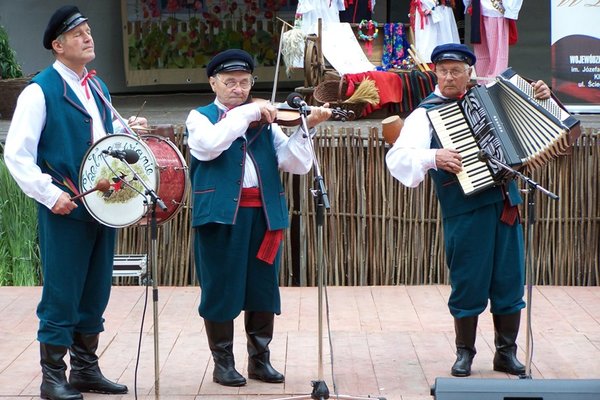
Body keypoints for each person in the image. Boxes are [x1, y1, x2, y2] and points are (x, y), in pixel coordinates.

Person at [3, 5, 147, 400]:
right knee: (62, 292)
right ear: (57, 44)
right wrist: (50, 195)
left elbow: (104, 134)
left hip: (103, 205)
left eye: (88, 31)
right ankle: (53, 378)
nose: (88, 37)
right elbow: (16, 154)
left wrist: (127, 130)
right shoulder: (40, 91)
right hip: (65, 207)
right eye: (78, 33)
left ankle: (85, 369)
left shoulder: (96, 87)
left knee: (95, 290)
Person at [385, 43, 552, 377]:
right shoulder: (426, 113)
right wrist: (434, 157)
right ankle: (465, 353)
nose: (449, 77)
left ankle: (506, 353)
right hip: (465, 210)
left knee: (509, 279)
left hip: (506, 206)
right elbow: (397, 159)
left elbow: (537, 121)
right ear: (435, 72)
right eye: (443, 71)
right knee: (468, 281)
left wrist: (541, 97)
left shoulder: (492, 96)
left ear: (468, 73)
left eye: (456, 71)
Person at [185, 49, 332, 387]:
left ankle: (259, 360)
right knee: (221, 287)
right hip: (221, 217)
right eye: (230, 82)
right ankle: (223, 362)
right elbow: (210, 145)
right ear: (213, 83)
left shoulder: (266, 124)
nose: (238, 88)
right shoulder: (201, 117)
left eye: (245, 82)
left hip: (264, 216)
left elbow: (296, 164)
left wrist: (305, 129)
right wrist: (250, 111)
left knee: (262, 289)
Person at [464, 0, 523, 79]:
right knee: (482, 56)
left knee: (497, 56)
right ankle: (483, 84)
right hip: (479, 8)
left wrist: (510, 9)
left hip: (496, 10)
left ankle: (495, 84)